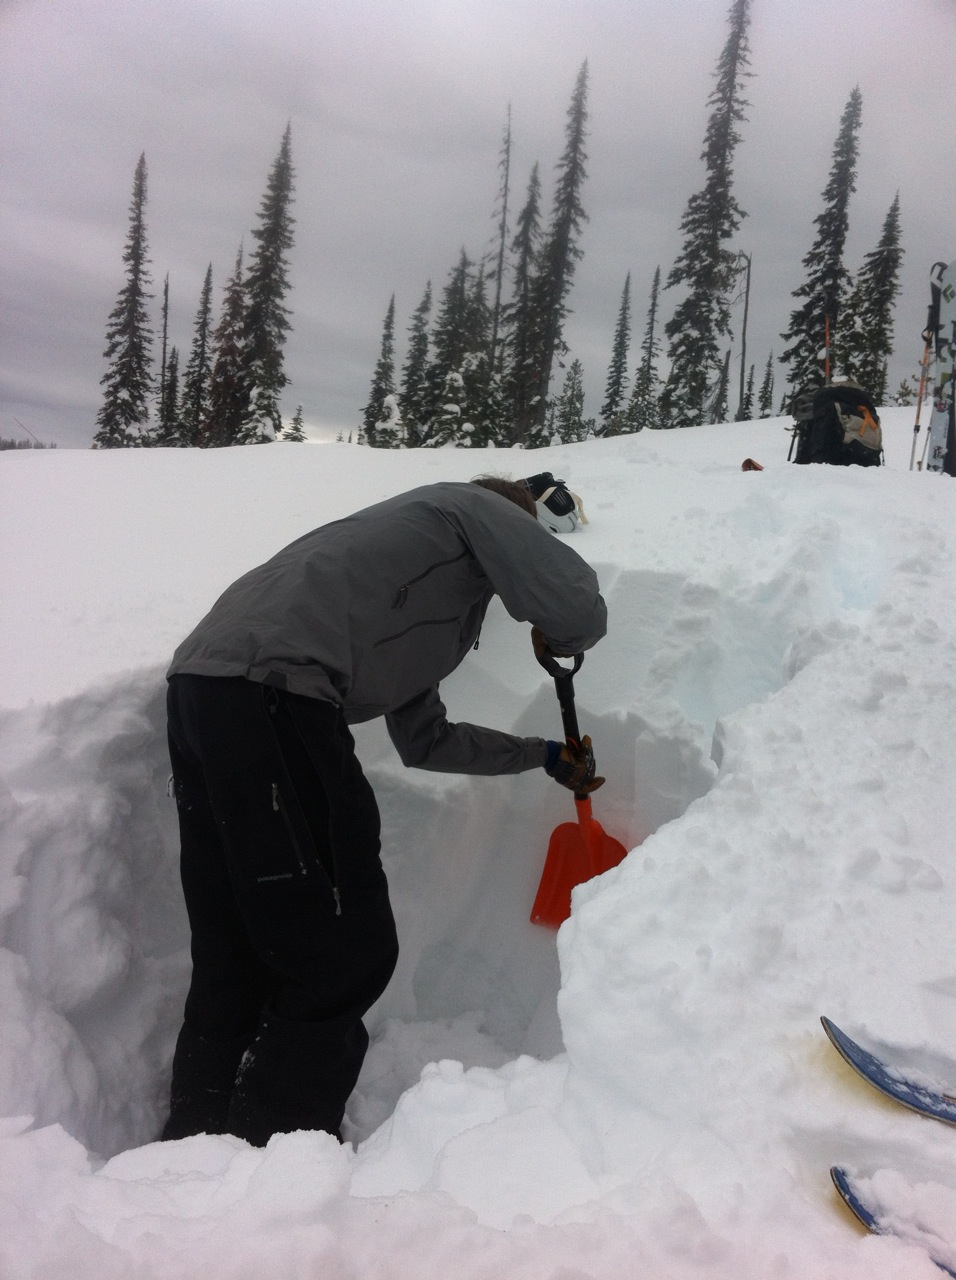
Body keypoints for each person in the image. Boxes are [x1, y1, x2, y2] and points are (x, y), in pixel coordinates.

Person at [161, 476, 607, 1146]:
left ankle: (195, 1139)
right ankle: (272, 1152)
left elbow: (426, 740)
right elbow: (575, 608)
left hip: (206, 693)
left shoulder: (407, 585)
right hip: (277, 690)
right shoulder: (466, 505)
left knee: (238, 944)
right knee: (345, 950)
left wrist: (542, 755)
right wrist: (557, 630)